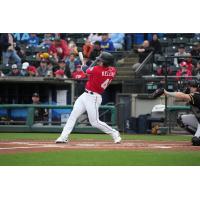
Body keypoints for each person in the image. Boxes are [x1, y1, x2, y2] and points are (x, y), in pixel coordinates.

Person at [55, 52, 121, 144]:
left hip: (94, 97)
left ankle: (114, 133)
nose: (98, 61)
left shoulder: (97, 70)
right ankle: (63, 137)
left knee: (94, 122)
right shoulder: (113, 70)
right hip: (85, 95)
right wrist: (85, 68)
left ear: (105, 62)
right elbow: (88, 70)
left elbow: (85, 70)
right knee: (73, 116)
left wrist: (84, 67)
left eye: (100, 61)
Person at [164, 80, 200, 146]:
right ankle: (196, 134)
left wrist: (166, 92)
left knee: (196, 141)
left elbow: (182, 96)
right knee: (180, 119)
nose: (191, 88)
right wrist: (184, 93)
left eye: (193, 87)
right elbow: (178, 99)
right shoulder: (192, 95)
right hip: (198, 120)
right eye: (191, 86)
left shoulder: (196, 95)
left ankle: (197, 137)